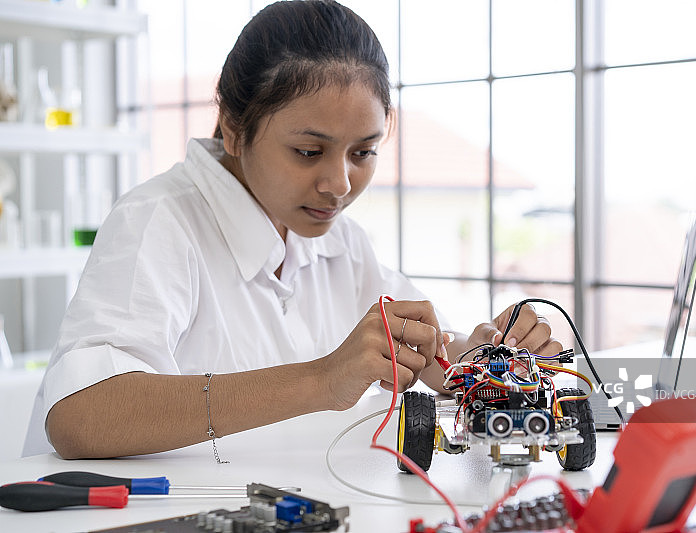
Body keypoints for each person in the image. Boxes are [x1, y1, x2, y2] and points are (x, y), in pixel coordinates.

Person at [23, 0, 561, 459]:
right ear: (234, 130)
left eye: (363, 153)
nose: (339, 184)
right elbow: (79, 416)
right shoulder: (158, 222)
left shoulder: (339, 242)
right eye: (309, 151)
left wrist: (482, 362)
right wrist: (322, 380)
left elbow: (429, 348)